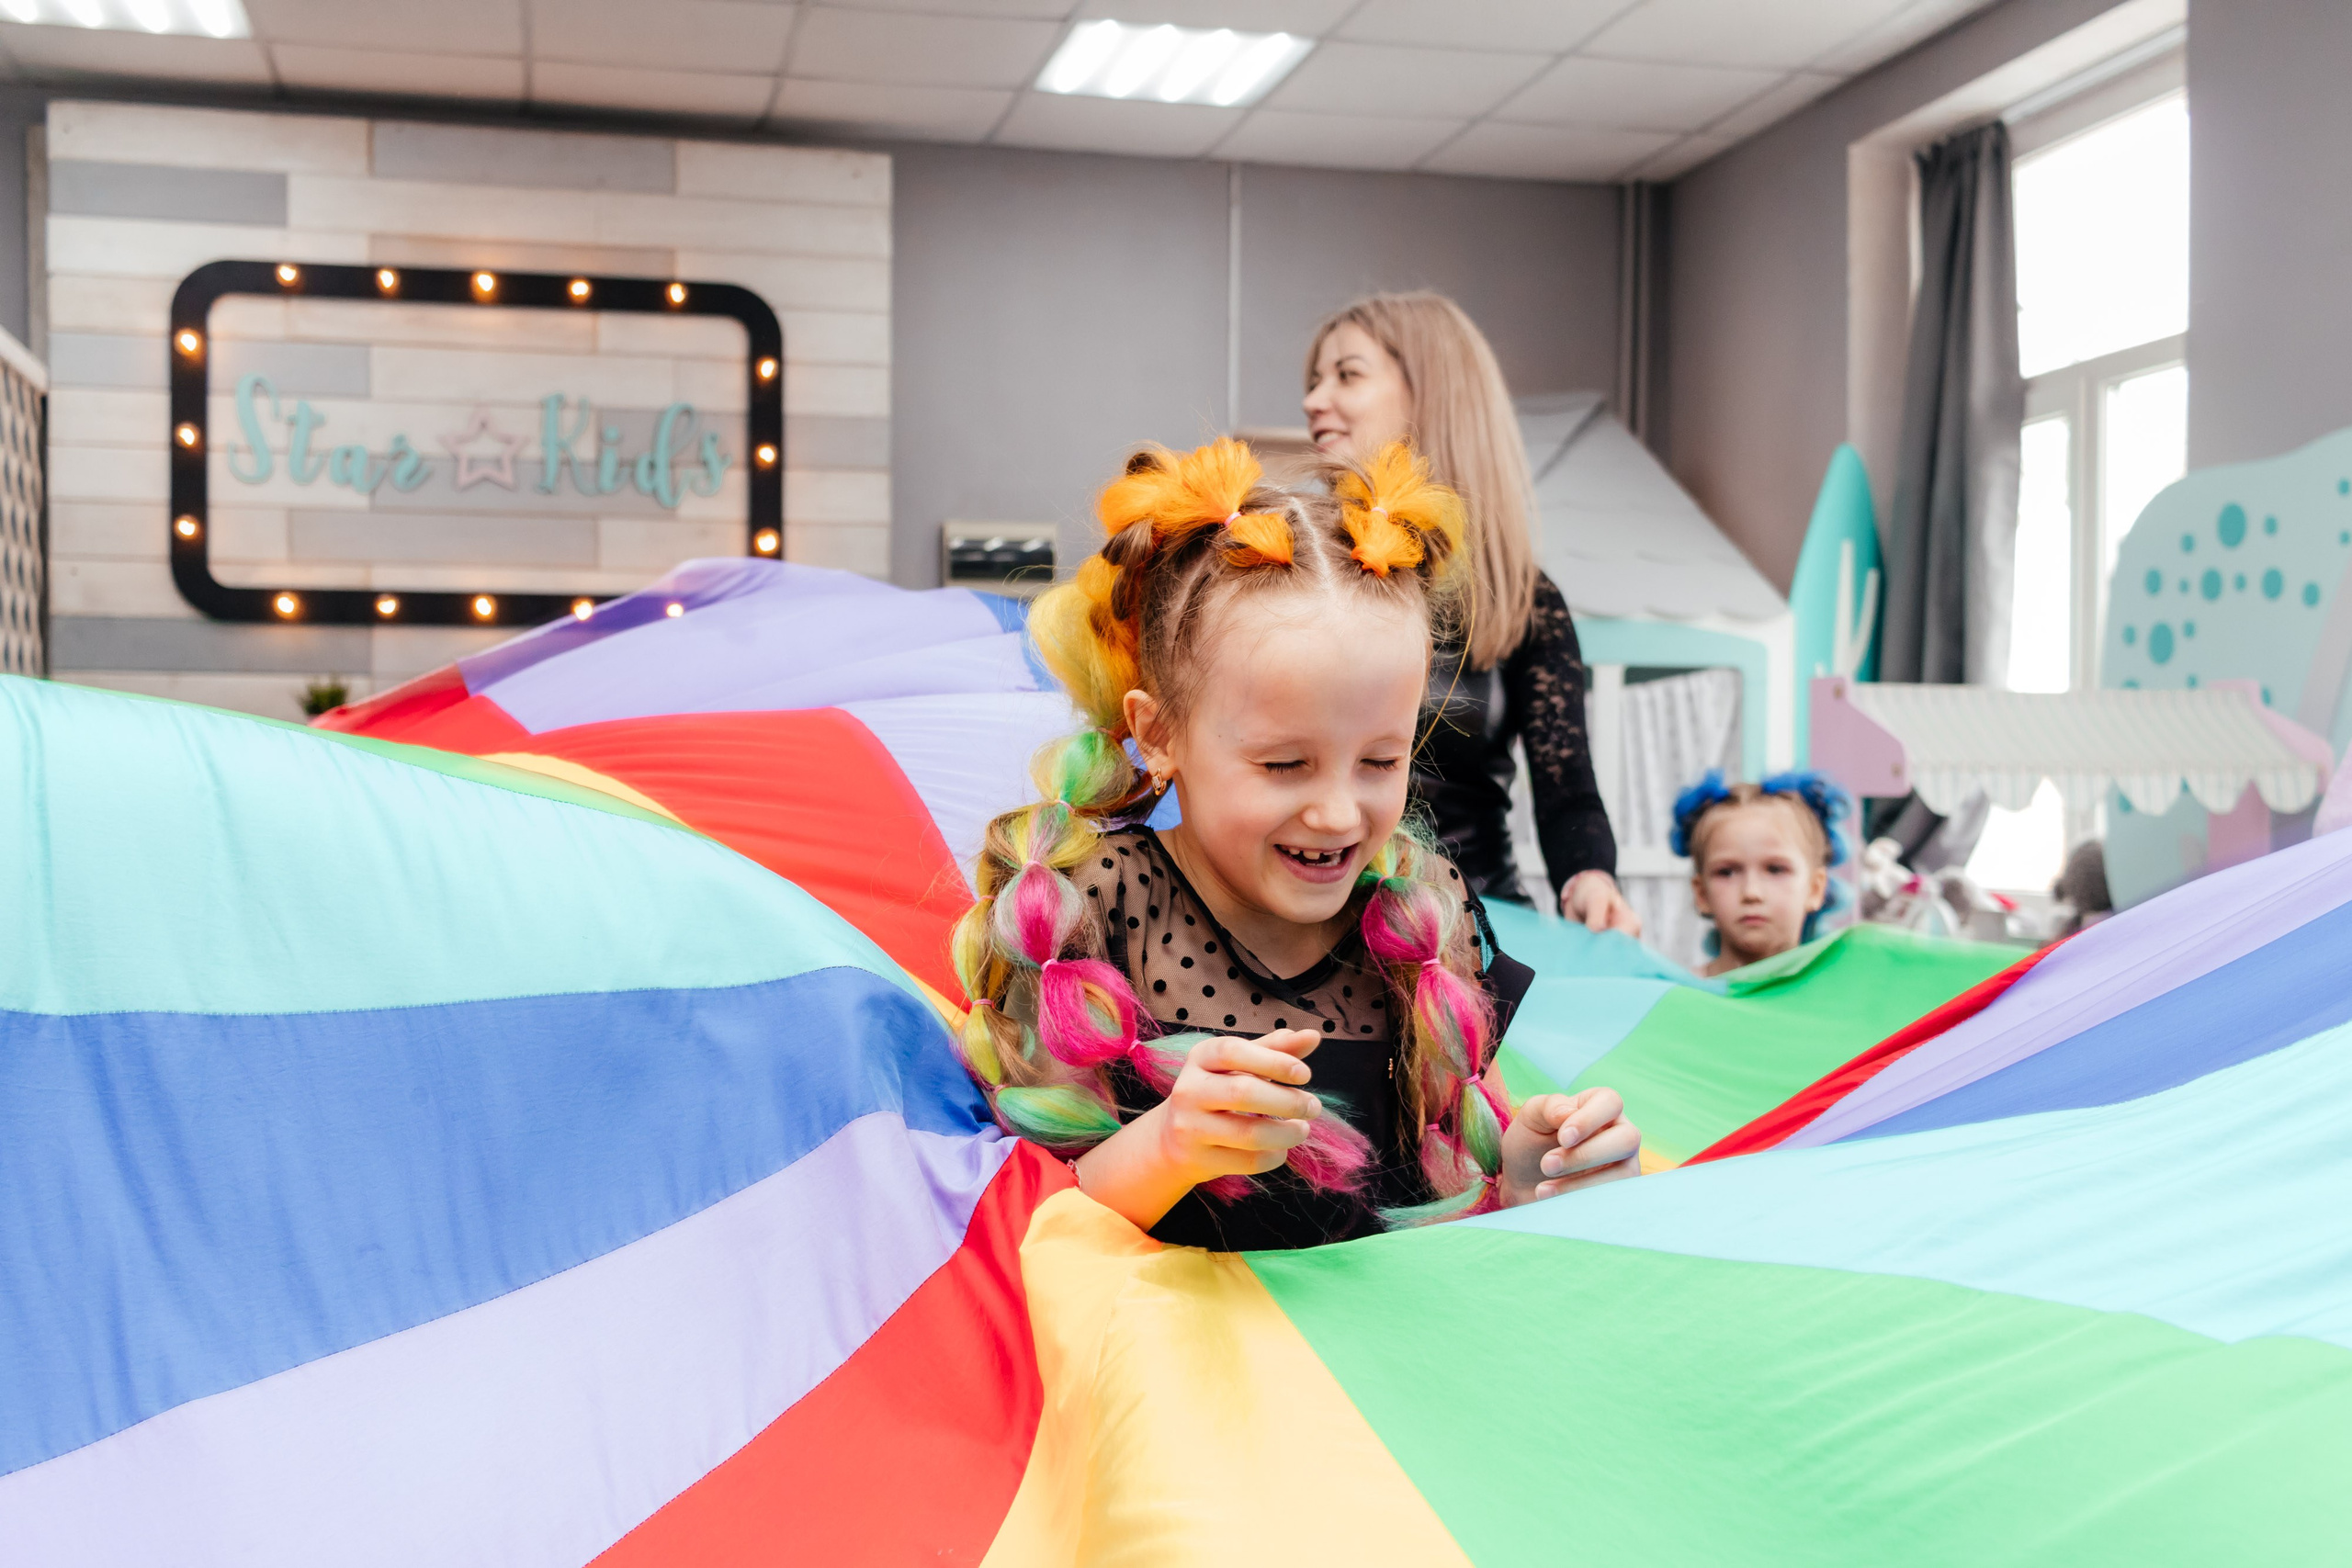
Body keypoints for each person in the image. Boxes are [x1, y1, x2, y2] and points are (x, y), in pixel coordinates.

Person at [952, 437, 1641, 1249]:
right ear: (1160, 733)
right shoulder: (1091, 909)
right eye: (1285, 764)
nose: (1339, 814)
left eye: (1381, 761)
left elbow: (1444, 1194)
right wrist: (1166, 1148)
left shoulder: (1417, 921)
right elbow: (1027, 1225)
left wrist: (1529, 1176)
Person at [1303, 290, 1640, 935]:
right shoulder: (1293, 570)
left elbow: (1568, 789)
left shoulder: (1522, 594)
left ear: (1431, 394)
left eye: (1346, 374)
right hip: (1318, 932)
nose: (1314, 400)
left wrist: (1590, 878)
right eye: (1315, 380)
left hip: (1475, 931)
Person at [1671, 771, 1852, 977]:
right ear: (1702, 893)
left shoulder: (1839, 994)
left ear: (1815, 888)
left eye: (1775, 869)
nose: (1751, 893)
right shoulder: (1678, 992)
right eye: (1726, 872)